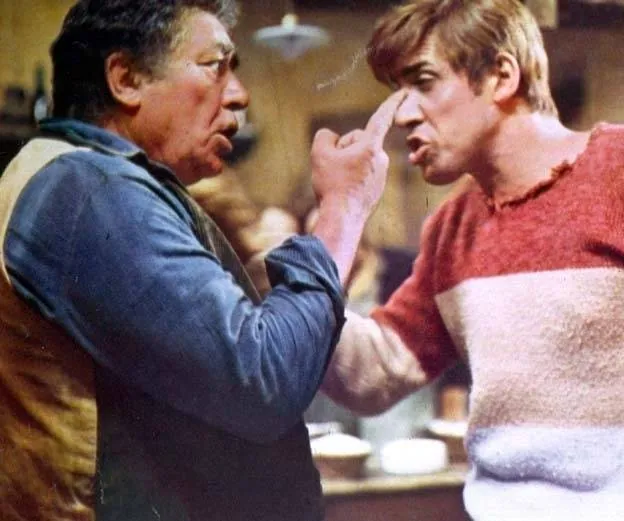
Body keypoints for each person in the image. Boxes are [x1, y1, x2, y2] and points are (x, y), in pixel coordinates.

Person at [0, 1, 405, 520]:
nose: (240, 94)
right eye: (215, 66)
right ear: (126, 79)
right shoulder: (91, 191)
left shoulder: (66, 174)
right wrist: (343, 210)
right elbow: (261, 380)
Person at [316, 1, 624, 519]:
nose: (403, 115)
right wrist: (331, 220)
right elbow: (374, 373)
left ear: (501, 76)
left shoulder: (617, 170)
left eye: (424, 82)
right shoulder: (452, 227)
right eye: (398, 93)